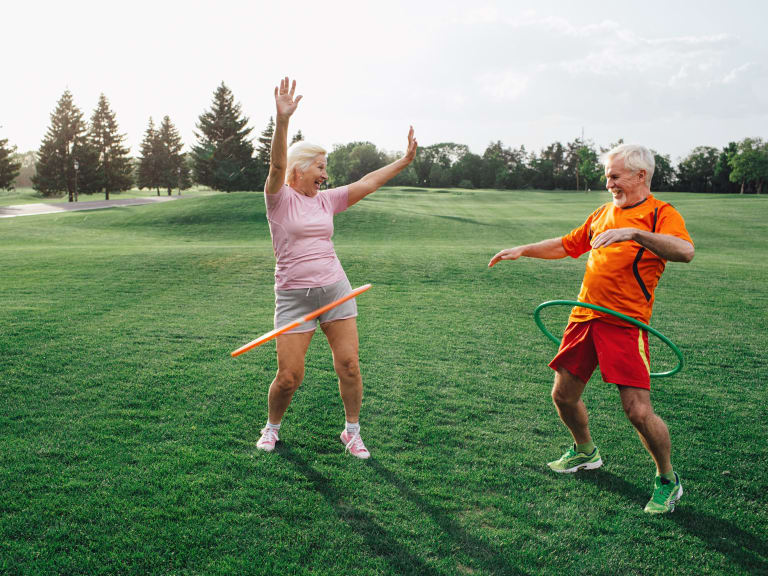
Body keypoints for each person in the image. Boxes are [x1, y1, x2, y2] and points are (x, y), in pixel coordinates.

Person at [489, 144, 694, 514]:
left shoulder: (660, 213)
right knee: (563, 395)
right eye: (608, 176)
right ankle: (585, 452)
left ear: (640, 176)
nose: (609, 183)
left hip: (625, 326)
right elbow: (568, 245)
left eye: (615, 176)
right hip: (584, 318)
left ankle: (668, 479)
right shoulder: (602, 213)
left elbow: (684, 250)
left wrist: (633, 233)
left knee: (637, 411)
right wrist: (524, 249)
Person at [256, 77, 417, 459]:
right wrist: (282, 122)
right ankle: (272, 427)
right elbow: (277, 162)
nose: (325, 174)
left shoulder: (326, 201)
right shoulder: (278, 199)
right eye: (320, 167)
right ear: (299, 169)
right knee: (289, 377)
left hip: (336, 290)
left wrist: (404, 161)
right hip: (294, 297)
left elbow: (368, 182)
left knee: (349, 365)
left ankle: (352, 432)